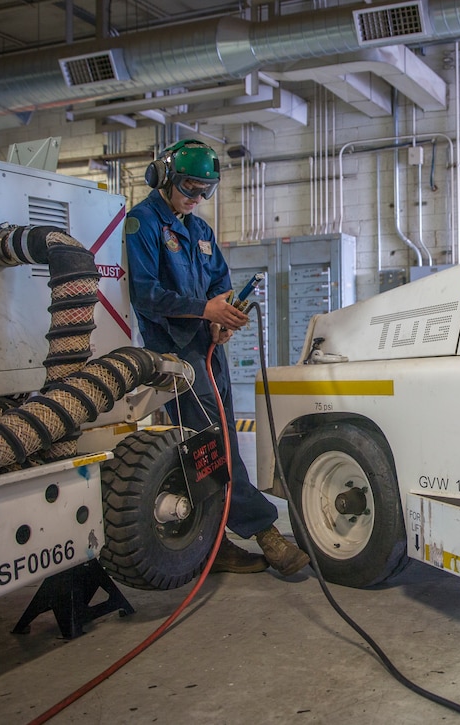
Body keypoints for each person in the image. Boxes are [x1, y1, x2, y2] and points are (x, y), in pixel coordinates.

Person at [124, 139, 309, 577]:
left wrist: (222, 317)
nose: (196, 198)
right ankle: (265, 531)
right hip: (174, 356)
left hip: (208, 351)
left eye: (205, 190)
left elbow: (219, 285)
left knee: (211, 445)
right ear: (164, 177)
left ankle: (211, 542)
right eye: (190, 187)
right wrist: (204, 310)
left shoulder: (200, 231)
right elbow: (145, 294)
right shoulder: (142, 223)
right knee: (214, 447)